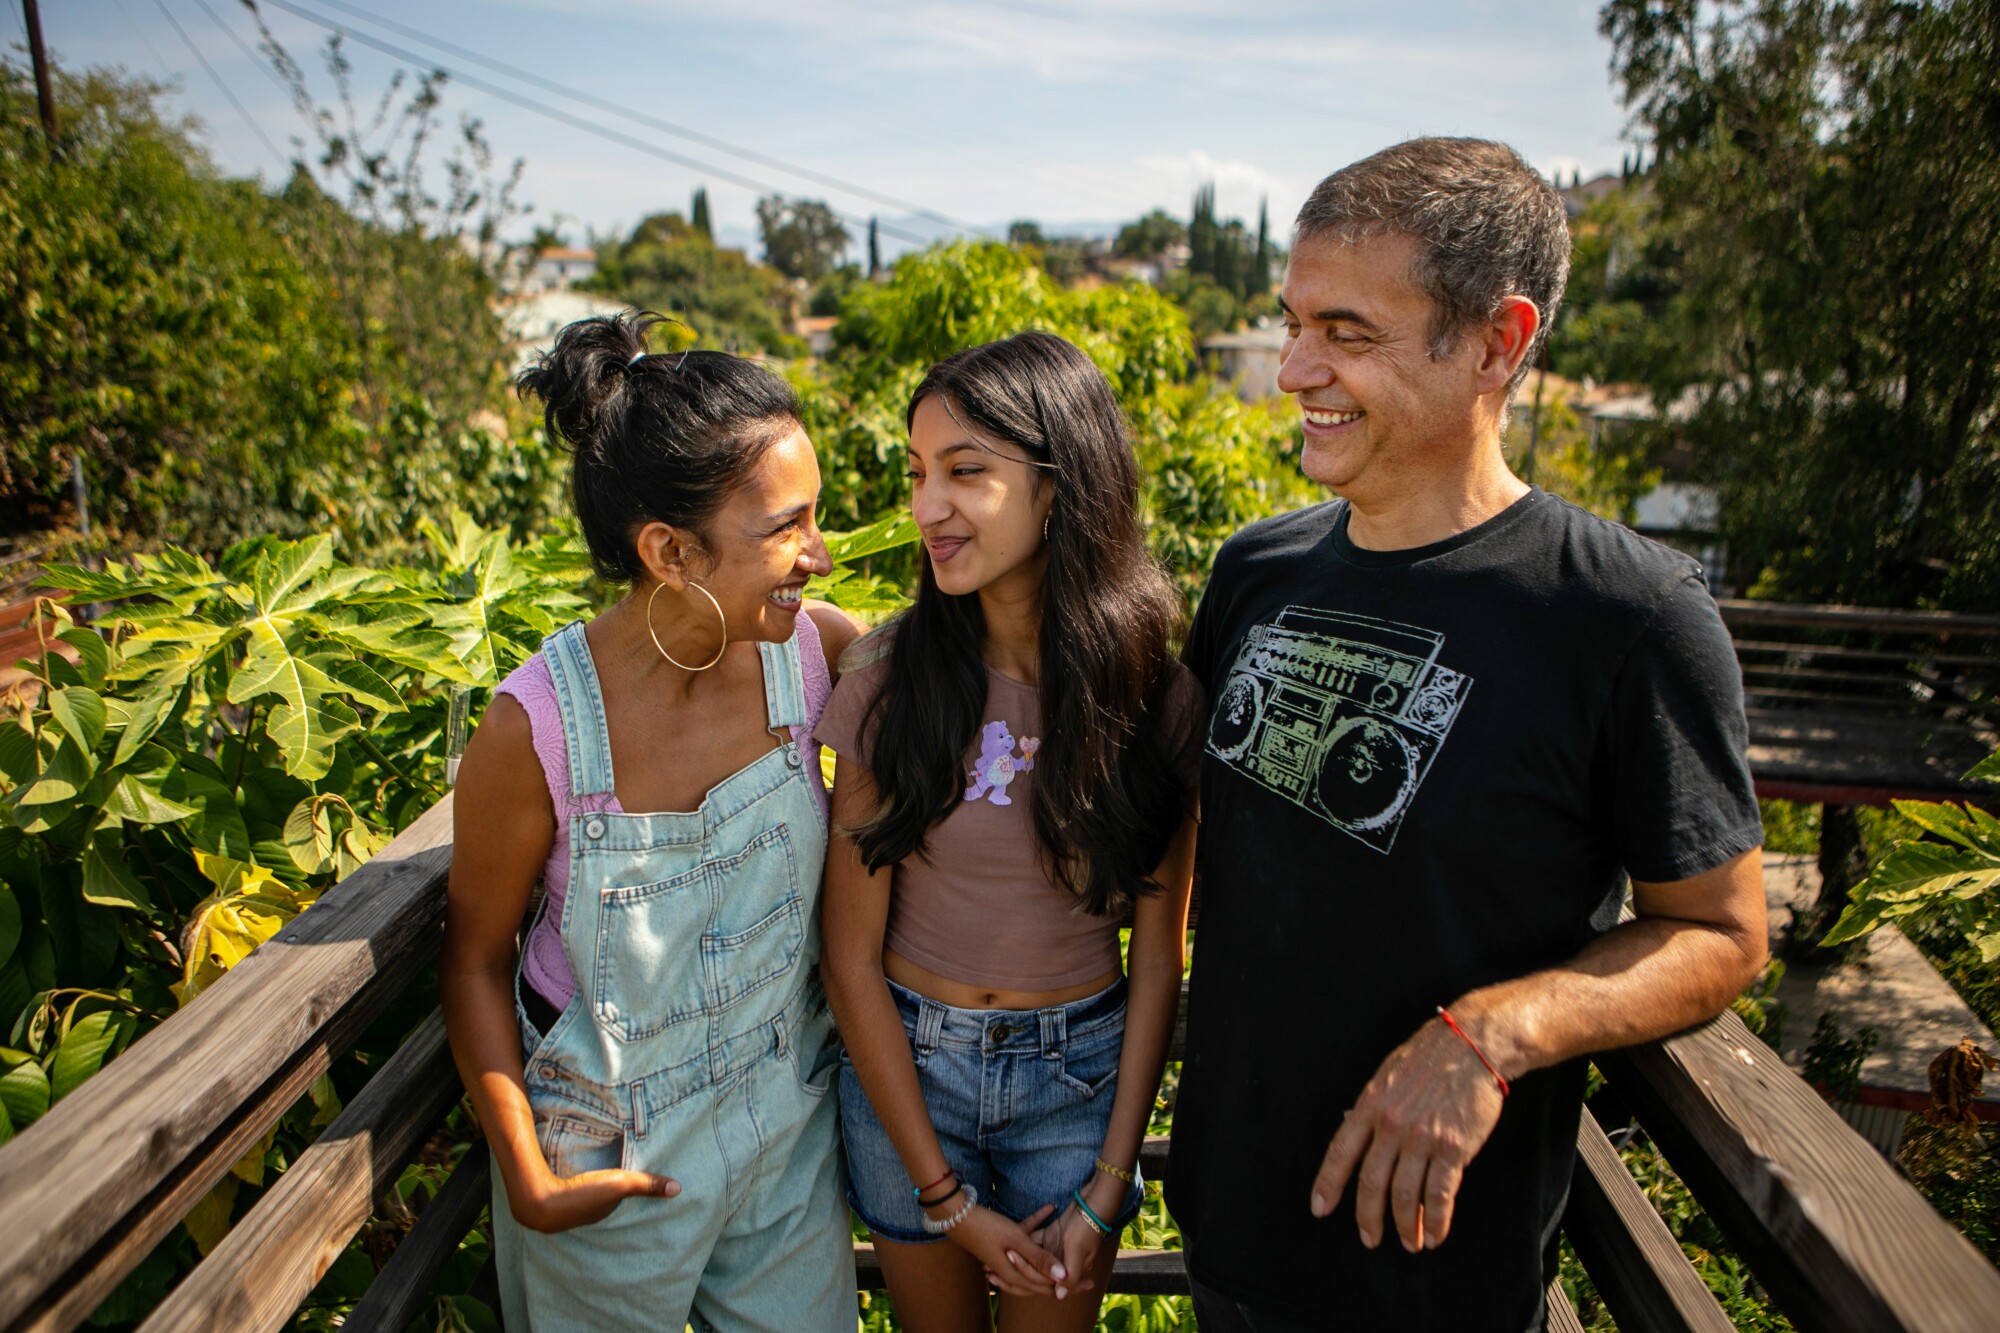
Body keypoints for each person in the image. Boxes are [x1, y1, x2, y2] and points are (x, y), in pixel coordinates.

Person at [1167, 138, 1769, 1332]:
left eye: (1346, 333)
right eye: (1291, 323)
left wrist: (1489, 1031)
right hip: (1223, 1246)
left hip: (1432, 1287)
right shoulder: (1256, 571)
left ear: (1496, 339)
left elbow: (1720, 932)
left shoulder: (1625, 614)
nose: (1293, 370)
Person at [441, 312, 861, 1331]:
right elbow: (474, 961)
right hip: (604, 1154)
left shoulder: (807, 656)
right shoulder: (535, 726)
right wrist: (529, 1173)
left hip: (781, 1124)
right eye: (783, 529)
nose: (817, 555)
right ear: (669, 550)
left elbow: (960, 690)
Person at [819, 332, 1204, 1332]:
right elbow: (849, 957)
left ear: (1057, 484)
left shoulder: (1149, 696)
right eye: (917, 473)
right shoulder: (887, 678)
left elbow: (1158, 959)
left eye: (965, 472)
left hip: (1074, 1081)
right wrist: (941, 1196)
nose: (925, 507)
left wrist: (1110, 1180)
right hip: (907, 1073)